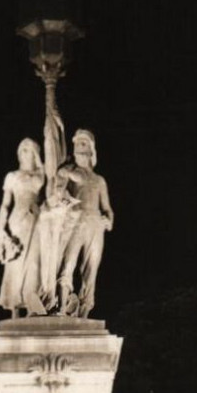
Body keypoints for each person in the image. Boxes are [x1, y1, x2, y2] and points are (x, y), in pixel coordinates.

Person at [56, 129, 114, 317]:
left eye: (83, 143)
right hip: (75, 221)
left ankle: (85, 311)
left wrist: (109, 220)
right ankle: (62, 308)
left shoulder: (99, 180)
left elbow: (107, 208)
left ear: (91, 149)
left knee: (91, 268)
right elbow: (58, 193)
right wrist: (64, 202)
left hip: (95, 224)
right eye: (76, 143)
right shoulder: (67, 171)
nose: (78, 146)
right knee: (69, 262)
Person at [0, 139, 44, 316]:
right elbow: (5, 205)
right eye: (22, 149)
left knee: (34, 264)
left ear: (35, 154)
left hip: (37, 222)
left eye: (28, 150)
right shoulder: (12, 176)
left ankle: (32, 308)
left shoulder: (41, 175)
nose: (24, 153)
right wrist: (1, 231)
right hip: (17, 221)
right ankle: (14, 309)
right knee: (15, 264)